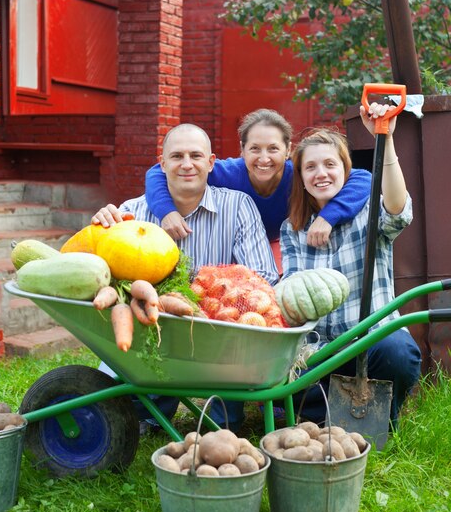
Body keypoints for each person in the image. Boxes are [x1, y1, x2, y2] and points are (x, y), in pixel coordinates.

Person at [92, 123, 279, 432]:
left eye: (196, 155)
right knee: (130, 407)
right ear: (162, 163)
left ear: (211, 162)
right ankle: (148, 406)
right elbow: (105, 278)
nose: (187, 164)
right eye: (177, 156)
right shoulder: (131, 213)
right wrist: (98, 230)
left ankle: (223, 412)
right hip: (150, 329)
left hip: (220, 334)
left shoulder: (238, 206)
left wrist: (216, 297)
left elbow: (262, 279)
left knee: (237, 332)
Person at [280, 103, 422, 425]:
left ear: (345, 171)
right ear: (301, 178)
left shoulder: (369, 210)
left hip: (370, 343)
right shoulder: (293, 229)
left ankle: (372, 413)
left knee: (398, 352)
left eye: (330, 164)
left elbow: (398, 210)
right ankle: (329, 409)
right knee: (281, 387)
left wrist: (386, 140)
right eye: (311, 167)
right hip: (320, 352)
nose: (321, 173)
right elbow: (291, 294)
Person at [145, 108, 372, 270]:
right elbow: (157, 171)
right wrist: (167, 211)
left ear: (288, 150)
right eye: (255, 148)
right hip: (242, 247)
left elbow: (363, 178)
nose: (264, 159)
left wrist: (328, 216)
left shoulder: (299, 173)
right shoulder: (228, 172)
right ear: (242, 150)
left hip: (283, 244)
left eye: (273, 148)